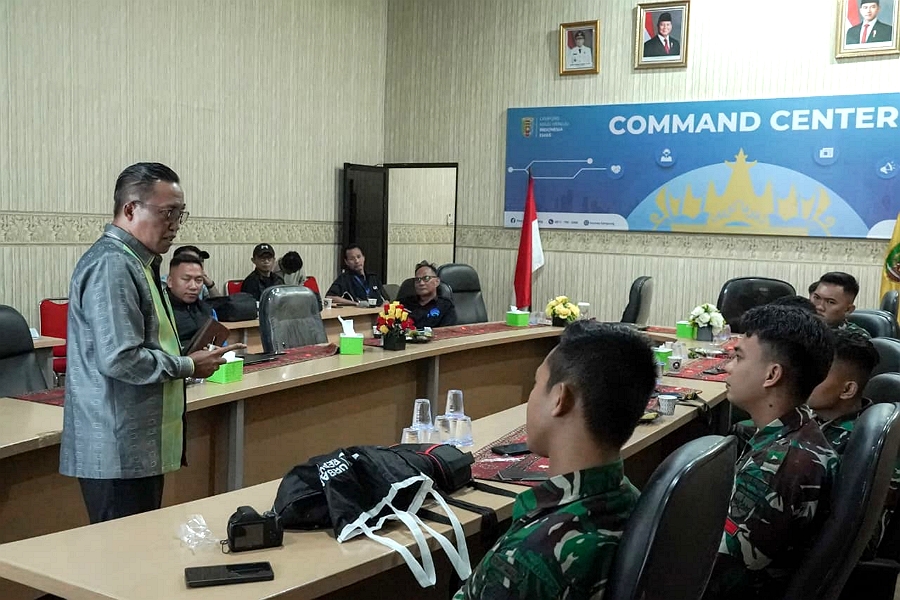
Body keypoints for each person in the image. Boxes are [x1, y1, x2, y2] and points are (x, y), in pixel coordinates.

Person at [60, 163, 238, 524]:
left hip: (133, 446)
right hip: (116, 449)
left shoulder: (139, 262)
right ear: (130, 209)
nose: (175, 225)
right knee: (122, 555)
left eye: (180, 214)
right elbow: (120, 358)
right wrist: (189, 365)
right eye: (167, 213)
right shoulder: (113, 265)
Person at [454, 322, 657, 599]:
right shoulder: (634, 501)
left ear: (560, 399)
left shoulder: (526, 559)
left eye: (536, 384)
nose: (531, 397)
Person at [704, 305, 837, 600]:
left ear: (772, 374)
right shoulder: (801, 427)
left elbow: (714, 573)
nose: (727, 367)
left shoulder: (775, 467)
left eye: (738, 357)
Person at [807, 330, 898, 556]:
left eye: (818, 374)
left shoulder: (856, 447)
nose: (803, 377)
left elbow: (858, 538)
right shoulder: (822, 421)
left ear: (847, 390)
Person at [166, 254, 215, 348]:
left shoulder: (205, 309)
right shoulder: (159, 310)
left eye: (198, 280)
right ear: (170, 281)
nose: (193, 286)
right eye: (186, 279)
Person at [809, 271, 870, 337]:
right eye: (817, 298)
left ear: (848, 310)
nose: (819, 307)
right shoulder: (802, 326)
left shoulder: (856, 336)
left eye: (830, 302)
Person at [399, 261, 457, 328]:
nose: (421, 283)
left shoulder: (445, 306)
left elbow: (447, 331)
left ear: (437, 282)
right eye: (418, 279)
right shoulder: (404, 303)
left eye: (426, 278)